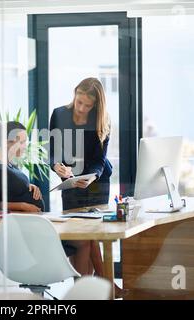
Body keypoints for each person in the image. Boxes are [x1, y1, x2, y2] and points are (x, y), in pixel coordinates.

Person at [49, 77, 112, 280]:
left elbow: (99, 160)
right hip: (70, 181)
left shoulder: (102, 120)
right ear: (75, 93)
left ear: (96, 105)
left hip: (96, 182)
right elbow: (52, 150)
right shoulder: (59, 114)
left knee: (91, 234)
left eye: (88, 105)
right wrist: (55, 165)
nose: (82, 108)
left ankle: (89, 288)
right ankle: (94, 286)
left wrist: (92, 176)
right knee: (78, 235)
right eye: (79, 102)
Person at [0, 121, 44, 212]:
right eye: (22, 142)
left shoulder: (9, 163)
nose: (25, 147)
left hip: (30, 218)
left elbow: (11, 188)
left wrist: (28, 186)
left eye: (25, 142)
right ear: (7, 142)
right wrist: (22, 206)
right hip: (20, 220)